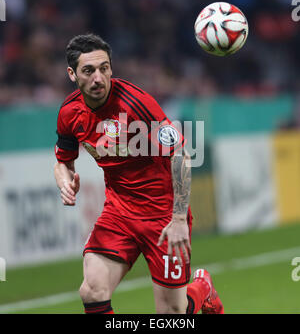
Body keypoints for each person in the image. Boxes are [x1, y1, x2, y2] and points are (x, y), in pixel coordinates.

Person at [54, 33, 224, 314]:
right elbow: (63, 159)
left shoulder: (137, 104)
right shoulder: (70, 112)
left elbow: (180, 154)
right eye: (89, 70)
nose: (98, 78)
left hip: (163, 215)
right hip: (118, 213)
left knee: (172, 313)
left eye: (104, 68)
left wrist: (180, 218)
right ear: (72, 74)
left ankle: (201, 289)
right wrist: (65, 181)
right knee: (92, 290)